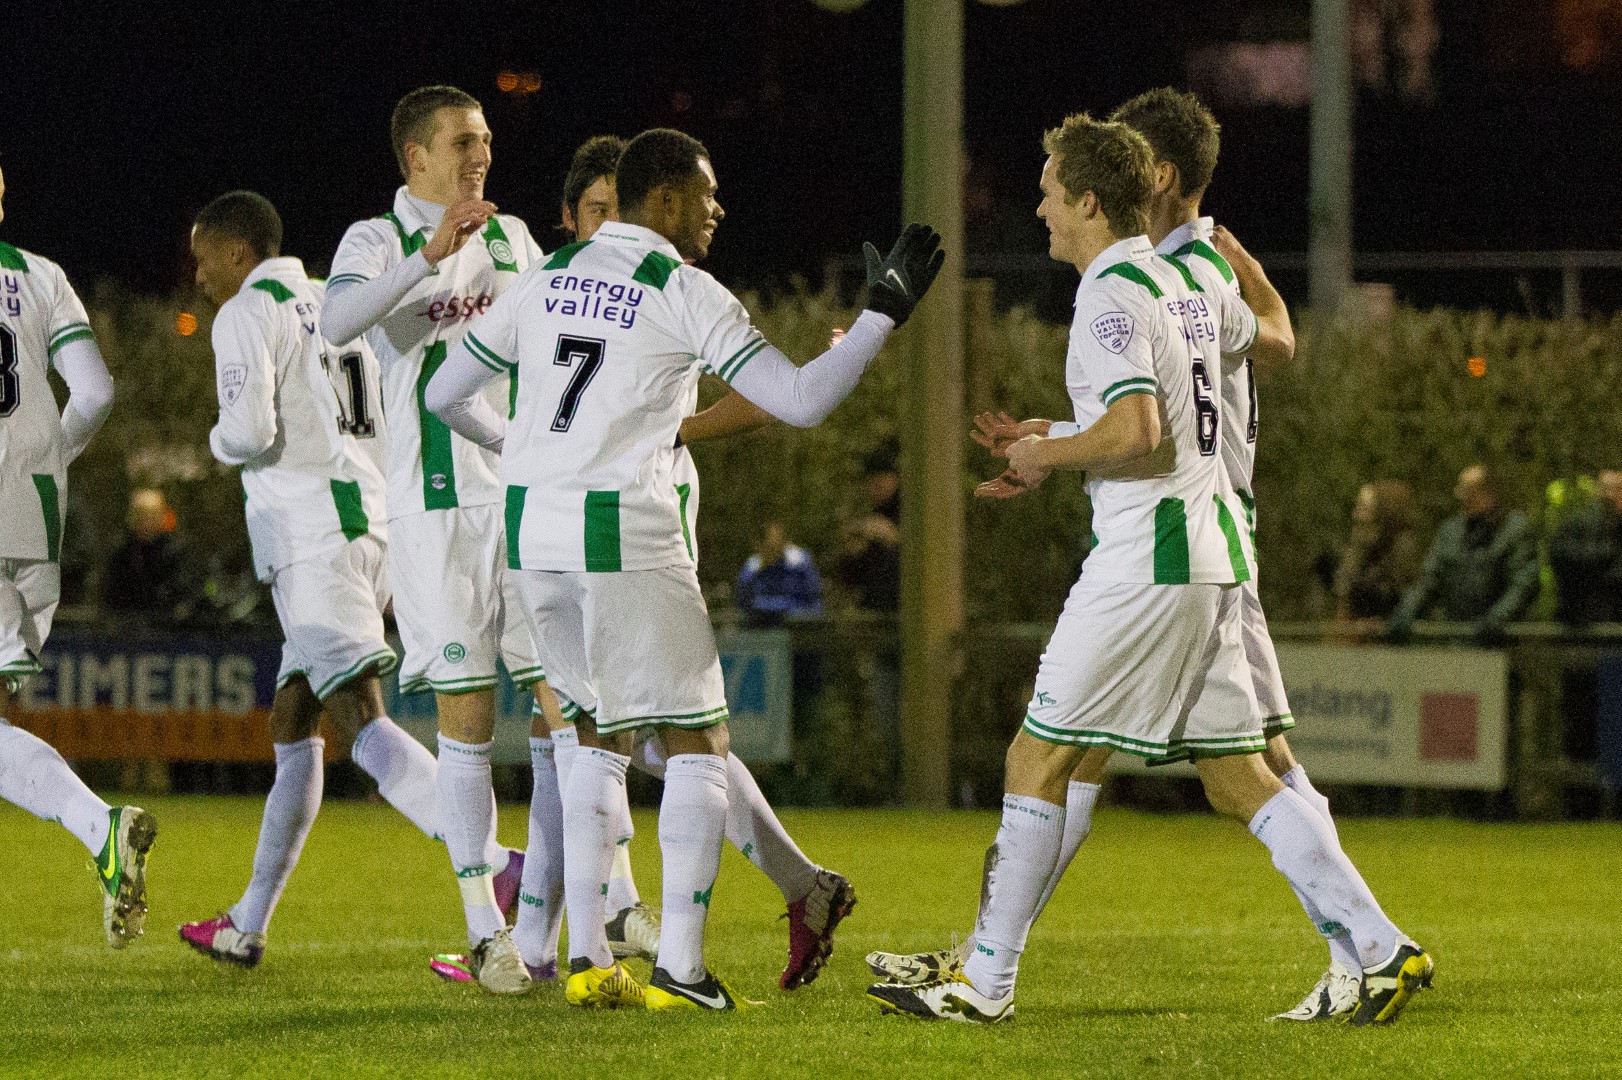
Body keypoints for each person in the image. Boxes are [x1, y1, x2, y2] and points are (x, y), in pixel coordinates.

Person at [874, 90, 1426, 1024]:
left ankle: (985, 983)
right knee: (1240, 775)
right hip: (1208, 553)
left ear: (1090, 201)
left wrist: (1043, 456)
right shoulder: (1191, 281)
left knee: (1037, 757)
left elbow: (1138, 428)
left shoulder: (1110, 294)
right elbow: (1242, 360)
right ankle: (1380, 947)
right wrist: (1053, 435)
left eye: (1050, 191)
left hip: (1148, 561)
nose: (1040, 207)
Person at [425, 126, 942, 1009]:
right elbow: (801, 400)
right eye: (707, 193)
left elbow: (444, 392)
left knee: (590, 736)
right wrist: (879, 317)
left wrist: (522, 450)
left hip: (534, 535)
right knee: (700, 741)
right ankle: (684, 969)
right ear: (664, 198)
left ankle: (587, 960)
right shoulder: (680, 288)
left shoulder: (548, 275)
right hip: (624, 532)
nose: (718, 208)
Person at [173, 191, 532, 988]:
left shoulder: (247, 311)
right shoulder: (334, 297)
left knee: (360, 721)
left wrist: (212, 439)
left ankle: (497, 863)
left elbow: (248, 432)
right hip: (372, 521)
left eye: (203, 258)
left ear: (237, 252)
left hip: (312, 541)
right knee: (292, 722)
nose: (198, 276)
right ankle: (247, 923)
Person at [319, 85, 555, 990]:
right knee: (468, 718)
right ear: (416, 156)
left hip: (526, 500)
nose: (482, 153)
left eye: (486, 138)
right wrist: (428, 256)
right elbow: (338, 323)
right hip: (435, 507)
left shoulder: (514, 238)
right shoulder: (375, 239)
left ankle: (567, 926)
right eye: (463, 140)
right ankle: (485, 930)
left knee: (565, 708)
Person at [0, 162, 152, 950]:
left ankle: (99, 823)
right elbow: (93, 392)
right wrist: (47, 459)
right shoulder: (41, 276)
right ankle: (100, 830)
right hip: (34, 512)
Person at [1387, 463, 1540, 643]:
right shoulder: (1450, 531)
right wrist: (1406, 612)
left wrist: (1497, 618)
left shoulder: (1514, 530)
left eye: (1468, 490)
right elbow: (1429, 579)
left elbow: (1523, 584)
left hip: (1500, 640)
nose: (1460, 495)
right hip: (1456, 635)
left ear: (1488, 494)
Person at [1335, 479, 1423, 623]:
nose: (1356, 515)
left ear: (1384, 513)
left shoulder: (1402, 550)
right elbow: (1344, 592)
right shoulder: (1357, 548)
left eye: (1365, 508)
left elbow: (1406, 599)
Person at [102, 488, 193, 624]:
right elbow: (113, 594)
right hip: (128, 625)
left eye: (153, 515)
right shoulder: (121, 552)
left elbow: (180, 592)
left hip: (166, 626)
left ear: (162, 516)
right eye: (141, 514)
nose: (147, 521)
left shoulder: (176, 551)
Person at [1547, 470, 1622, 626]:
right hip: (1584, 618)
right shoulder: (1578, 524)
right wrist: (1605, 555)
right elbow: (1561, 559)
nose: (1612, 494)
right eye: (1609, 489)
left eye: (1617, 489)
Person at [736, 520, 823, 627]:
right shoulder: (752, 568)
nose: (774, 550)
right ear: (759, 547)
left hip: (798, 624)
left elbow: (814, 600)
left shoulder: (800, 562)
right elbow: (743, 604)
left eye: (777, 544)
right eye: (769, 547)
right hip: (762, 625)